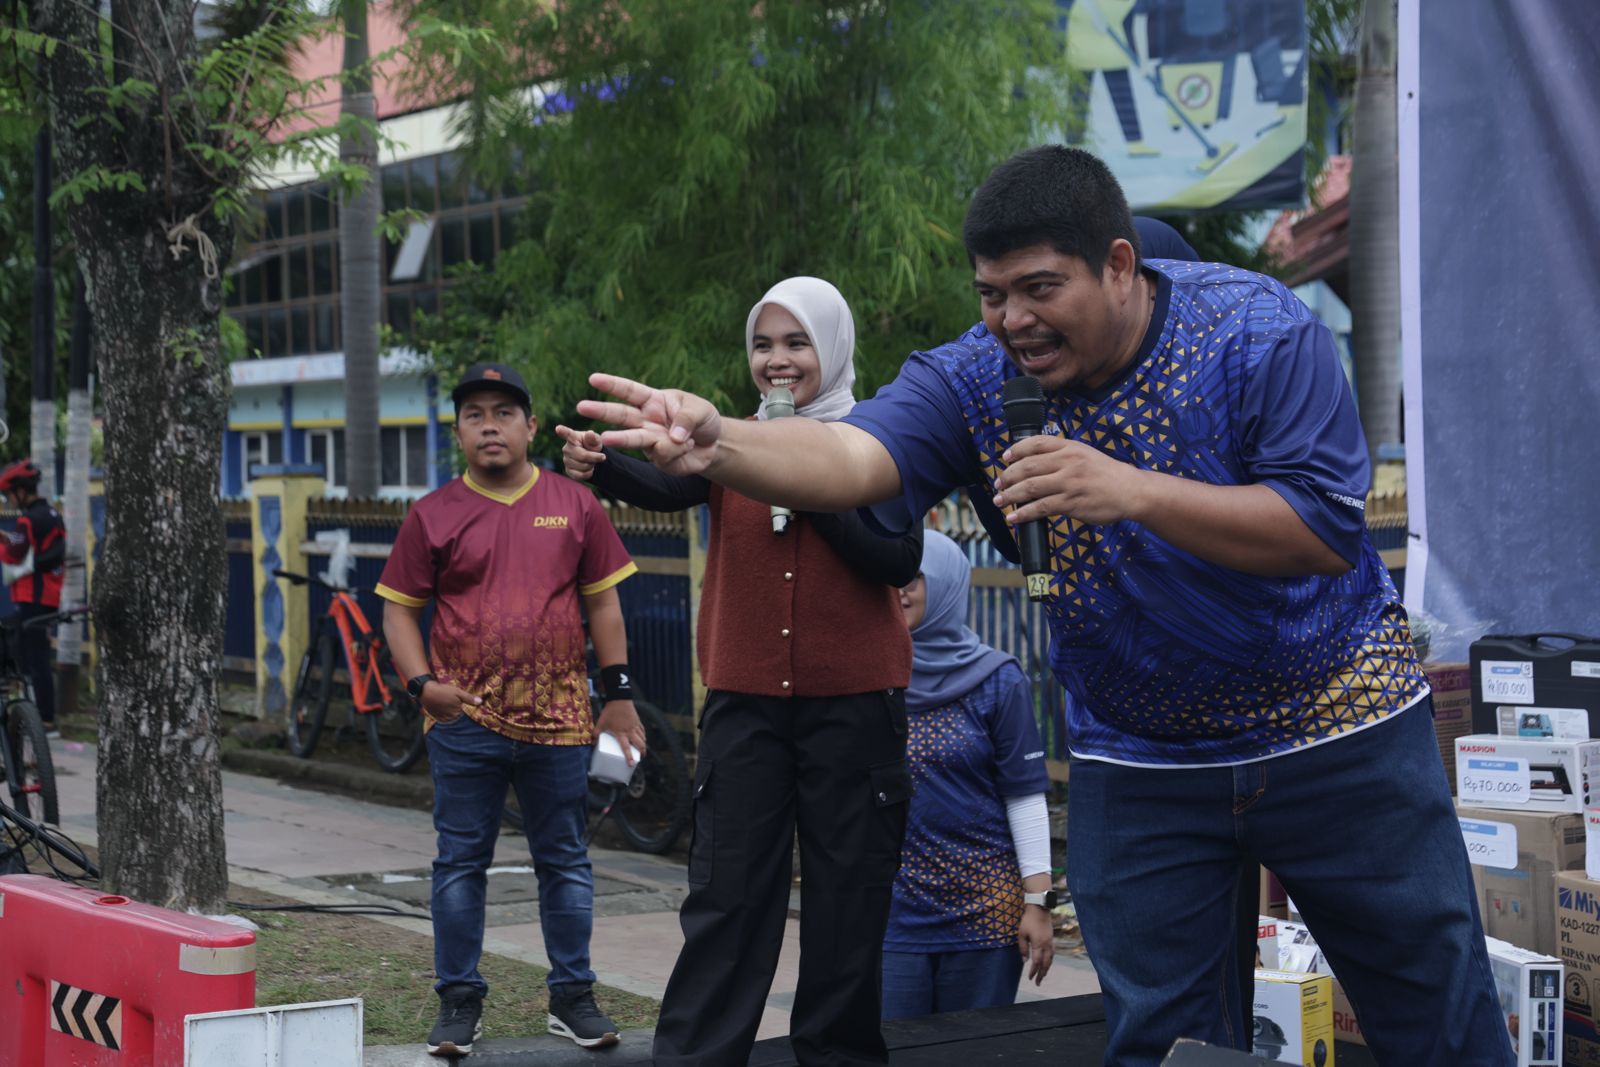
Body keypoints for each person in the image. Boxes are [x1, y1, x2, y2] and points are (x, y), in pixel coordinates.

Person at [576, 146, 1513, 1066]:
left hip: (1337, 729)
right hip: (1139, 756)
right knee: (1167, 1044)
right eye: (992, 293)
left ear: (1118, 264)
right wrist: (723, 444)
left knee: (1436, 1013)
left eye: (1038, 288)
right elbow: (855, 456)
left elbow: (1324, 526)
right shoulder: (971, 376)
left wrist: (1129, 490)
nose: (1012, 320)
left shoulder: (1258, 330)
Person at [557, 276, 923, 1067]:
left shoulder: (881, 441)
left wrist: (809, 480)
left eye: (796, 343)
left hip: (856, 708)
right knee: (728, 898)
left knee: (848, 904)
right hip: (745, 705)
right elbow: (671, 482)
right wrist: (600, 465)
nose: (777, 360)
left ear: (833, 347)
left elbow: (898, 556)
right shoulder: (729, 438)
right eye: (763, 344)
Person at [377, 362, 647, 1059]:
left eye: (504, 412)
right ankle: (458, 1001)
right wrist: (421, 685)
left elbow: (604, 605)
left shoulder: (575, 504)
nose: (489, 425)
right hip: (464, 722)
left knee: (565, 861)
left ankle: (573, 997)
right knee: (460, 863)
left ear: (530, 427)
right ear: (459, 433)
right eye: (474, 415)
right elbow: (399, 612)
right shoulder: (432, 514)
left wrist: (618, 695)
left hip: (561, 722)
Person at [883, 529, 1054, 1019]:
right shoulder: (872, 676)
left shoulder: (998, 680)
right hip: (891, 914)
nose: (899, 591)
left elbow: (1025, 796)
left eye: (912, 578)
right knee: (893, 1047)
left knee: (974, 1048)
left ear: (945, 584)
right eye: (890, 577)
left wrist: (1038, 902)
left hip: (984, 914)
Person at [0, 459, 66, 737]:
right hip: (49, 595)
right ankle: (41, 717)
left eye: (10, 494)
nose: (10, 499)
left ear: (21, 491)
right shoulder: (52, 514)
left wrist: (4, 543)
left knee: (32, 657)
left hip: (32, 595)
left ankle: (44, 720)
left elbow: (16, 553)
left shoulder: (27, 520)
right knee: (35, 655)